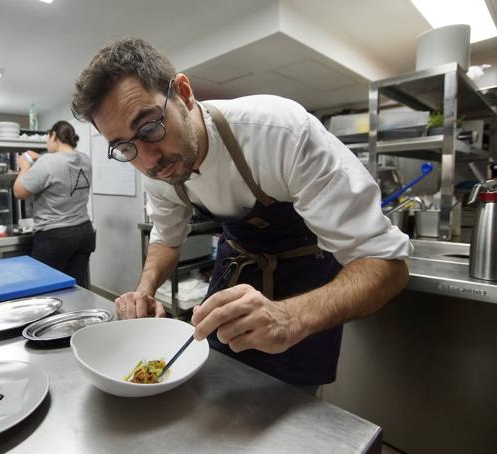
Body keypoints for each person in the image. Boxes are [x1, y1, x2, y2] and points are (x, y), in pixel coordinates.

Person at [71, 38, 411, 389]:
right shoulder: (156, 171)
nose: (148, 161)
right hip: (239, 268)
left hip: (305, 274)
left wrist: (289, 317)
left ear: (185, 93)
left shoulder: (279, 133)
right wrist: (145, 290)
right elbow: (167, 240)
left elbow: (386, 264)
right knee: (216, 378)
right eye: (125, 147)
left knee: (290, 401)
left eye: (151, 127)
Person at [13, 121, 95, 288]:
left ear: (54, 136)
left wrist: (24, 166)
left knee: (46, 287)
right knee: (76, 287)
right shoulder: (85, 160)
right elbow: (61, 169)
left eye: (47, 138)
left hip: (55, 236)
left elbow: (19, 192)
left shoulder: (48, 162)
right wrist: (41, 158)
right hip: (84, 232)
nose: (46, 143)